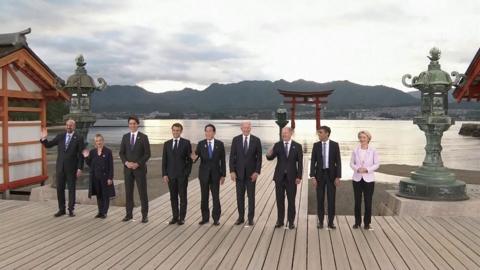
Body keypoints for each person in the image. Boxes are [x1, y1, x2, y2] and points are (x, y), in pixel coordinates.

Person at [40, 119, 84, 217]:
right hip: (60, 168)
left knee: (71, 189)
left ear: (74, 126)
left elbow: (81, 155)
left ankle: (71, 210)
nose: (69, 127)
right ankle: (61, 209)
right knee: (60, 189)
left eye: (71, 125)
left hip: (72, 168)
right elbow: (48, 145)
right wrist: (44, 138)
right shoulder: (60, 136)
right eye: (67, 125)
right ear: (65, 126)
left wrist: (80, 168)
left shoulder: (79, 138)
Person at [266, 127, 303, 230]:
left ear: (291, 133)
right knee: (279, 200)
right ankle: (280, 221)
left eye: (286, 133)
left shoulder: (298, 146)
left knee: (291, 201)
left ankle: (291, 222)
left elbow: (300, 163)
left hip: (292, 178)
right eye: (283, 133)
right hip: (279, 177)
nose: (284, 134)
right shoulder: (277, 145)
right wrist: (268, 154)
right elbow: (270, 158)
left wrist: (299, 176)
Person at [191, 124, 226, 226]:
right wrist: (193, 157)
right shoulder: (201, 144)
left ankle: (216, 219)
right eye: (206, 131)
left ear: (214, 132)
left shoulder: (220, 144)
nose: (208, 133)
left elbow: (223, 161)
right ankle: (205, 218)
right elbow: (195, 157)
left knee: (216, 197)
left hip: (216, 175)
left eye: (210, 131)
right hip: (204, 175)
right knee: (204, 197)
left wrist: (223, 175)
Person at [119, 116, 151, 223]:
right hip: (128, 169)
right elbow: (121, 153)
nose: (132, 125)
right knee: (128, 193)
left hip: (140, 169)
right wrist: (126, 163)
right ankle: (128, 214)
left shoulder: (143, 137)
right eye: (130, 123)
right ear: (128, 125)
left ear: (138, 124)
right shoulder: (125, 137)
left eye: (134, 123)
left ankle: (144, 216)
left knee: (142, 193)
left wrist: (137, 163)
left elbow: (147, 154)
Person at [229, 121, 262, 226]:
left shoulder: (256, 140)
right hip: (238, 174)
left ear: (250, 128)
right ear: (241, 128)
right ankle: (241, 217)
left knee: (251, 197)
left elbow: (259, 159)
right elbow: (232, 157)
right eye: (245, 128)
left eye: (248, 127)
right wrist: (232, 171)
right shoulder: (236, 140)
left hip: (251, 175)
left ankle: (251, 218)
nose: (246, 129)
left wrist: (257, 172)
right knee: (239, 197)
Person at [310, 126, 341, 229]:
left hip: (331, 175)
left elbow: (338, 162)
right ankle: (321, 222)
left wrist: (338, 177)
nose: (319, 134)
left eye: (321, 132)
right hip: (319, 175)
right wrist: (312, 177)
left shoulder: (335, 145)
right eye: (318, 133)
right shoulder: (316, 145)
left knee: (331, 200)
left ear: (327, 133)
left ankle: (331, 222)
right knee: (320, 199)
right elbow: (313, 161)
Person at [162, 123, 193, 225]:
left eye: (178, 130)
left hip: (182, 176)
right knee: (173, 197)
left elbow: (190, 160)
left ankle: (182, 218)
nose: (175, 132)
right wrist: (164, 174)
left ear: (181, 131)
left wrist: (186, 173)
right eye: (174, 130)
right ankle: (175, 217)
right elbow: (164, 161)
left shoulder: (186, 143)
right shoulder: (167, 144)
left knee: (183, 197)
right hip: (170, 175)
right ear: (172, 130)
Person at [350, 130, 379, 230]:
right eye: (360, 137)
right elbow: (351, 163)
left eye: (364, 137)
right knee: (357, 202)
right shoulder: (355, 150)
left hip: (369, 179)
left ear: (368, 139)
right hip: (357, 178)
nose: (362, 139)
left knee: (368, 202)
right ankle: (357, 223)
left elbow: (377, 164)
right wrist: (357, 169)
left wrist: (367, 169)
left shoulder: (373, 150)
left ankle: (367, 223)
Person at [83, 134, 115, 218]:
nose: (99, 142)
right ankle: (100, 212)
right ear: (95, 142)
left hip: (105, 177)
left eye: (100, 140)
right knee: (99, 195)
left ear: (103, 141)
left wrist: (110, 178)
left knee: (105, 195)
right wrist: (86, 157)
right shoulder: (93, 152)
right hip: (95, 177)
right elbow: (90, 164)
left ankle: (104, 212)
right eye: (97, 141)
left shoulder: (108, 151)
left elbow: (111, 166)